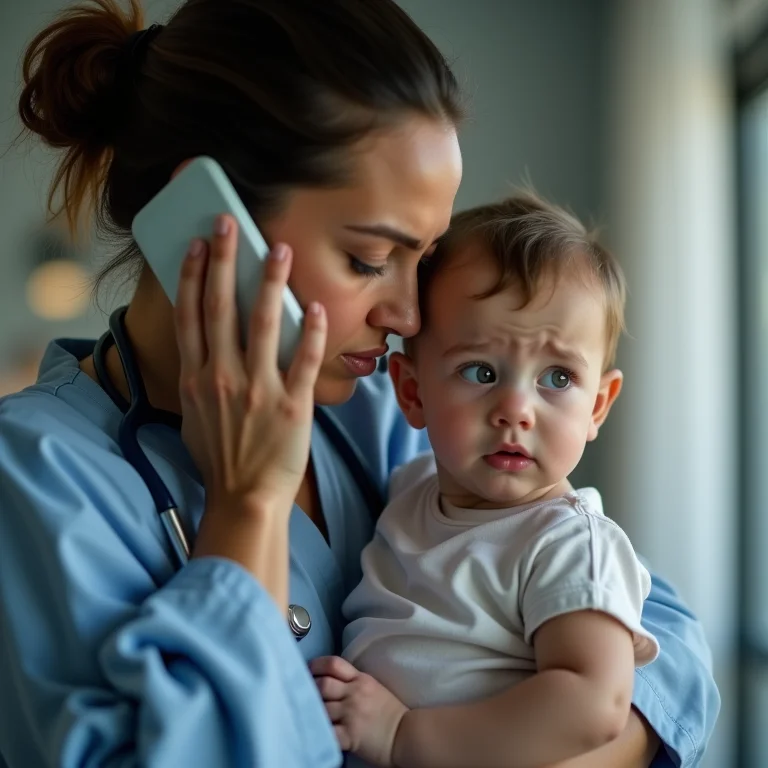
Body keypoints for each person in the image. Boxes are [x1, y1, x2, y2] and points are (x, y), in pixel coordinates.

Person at [0, 0, 717, 766]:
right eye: (372, 258)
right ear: (211, 228)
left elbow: (666, 646)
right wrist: (248, 510)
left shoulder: (382, 408)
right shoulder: (35, 478)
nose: (409, 315)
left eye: (425, 258)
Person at [310, 194, 674, 768]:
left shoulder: (568, 544)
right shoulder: (409, 492)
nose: (516, 409)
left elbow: (594, 703)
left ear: (598, 406)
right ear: (411, 391)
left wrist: (403, 736)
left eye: (557, 377)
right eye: (480, 372)